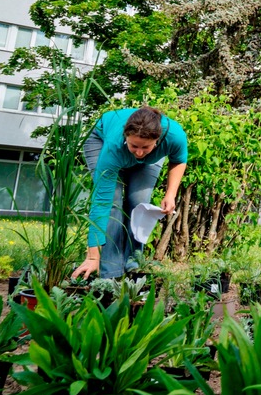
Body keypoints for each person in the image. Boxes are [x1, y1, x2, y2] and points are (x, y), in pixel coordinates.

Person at [72, 106, 188, 280]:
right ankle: (109, 271)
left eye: (145, 147)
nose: (139, 153)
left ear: (157, 140)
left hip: (150, 157)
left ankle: (133, 264)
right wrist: (92, 256)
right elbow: (101, 202)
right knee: (113, 201)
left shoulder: (174, 136)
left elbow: (179, 160)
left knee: (139, 201)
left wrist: (170, 194)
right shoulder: (113, 146)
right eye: (135, 146)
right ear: (126, 136)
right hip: (102, 141)